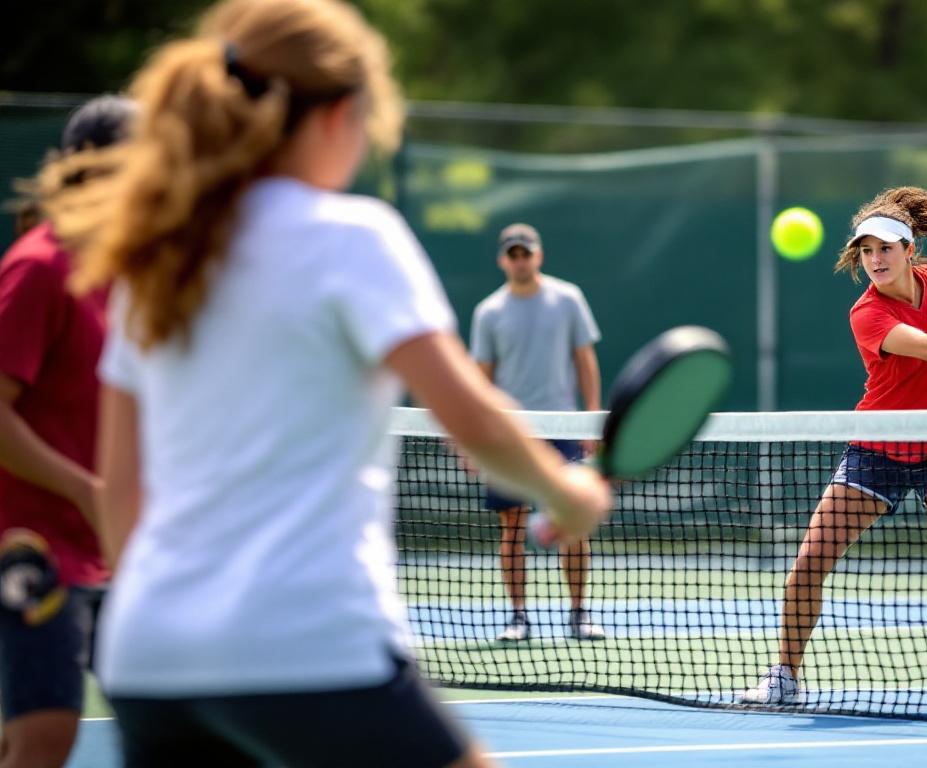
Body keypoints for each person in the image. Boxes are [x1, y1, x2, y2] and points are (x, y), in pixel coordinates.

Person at [43, 1, 610, 766]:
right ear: (340, 113)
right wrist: (568, 492)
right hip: (310, 647)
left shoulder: (155, 262)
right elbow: (471, 417)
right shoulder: (354, 237)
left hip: (149, 658)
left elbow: (120, 488)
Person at [738, 187, 927, 714]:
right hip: (878, 448)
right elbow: (926, 346)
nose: (875, 260)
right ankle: (784, 675)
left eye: (886, 249)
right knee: (809, 562)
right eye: (867, 251)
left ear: (909, 251)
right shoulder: (867, 314)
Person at [0, 94, 135, 768]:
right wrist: (87, 490)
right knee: (47, 732)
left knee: (183, 724)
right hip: (30, 546)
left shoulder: (128, 277)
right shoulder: (38, 267)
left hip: (110, 549)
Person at [470, 223, 605, 642]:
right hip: (510, 433)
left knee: (573, 520)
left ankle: (580, 614)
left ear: (538, 256)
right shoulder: (488, 312)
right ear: (502, 260)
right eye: (513, 253)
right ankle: (518, 618)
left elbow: (585, 360)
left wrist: (591, 418)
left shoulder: (568, 299)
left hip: (562, 426)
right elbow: (481, 377)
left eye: (526, 252)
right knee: (512, 526)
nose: (520, 259)